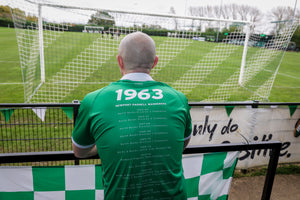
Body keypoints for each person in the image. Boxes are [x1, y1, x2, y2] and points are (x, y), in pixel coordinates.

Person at [72, 32, 192, 200]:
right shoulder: (179, 98)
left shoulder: (94, 100)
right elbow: (182, 143)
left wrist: (108, 144)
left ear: (119, 61)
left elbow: (80, 152)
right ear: (155, 62)